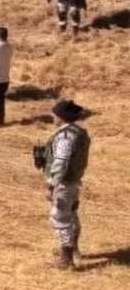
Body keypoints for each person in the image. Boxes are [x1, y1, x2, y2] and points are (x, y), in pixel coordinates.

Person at [43, 99, 91, 269]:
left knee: (60, 217)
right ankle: (72, 248)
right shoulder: (79, 132)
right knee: (71, 214)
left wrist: (51, 185)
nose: (52, 117)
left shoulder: (65, 137)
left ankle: (66, 258)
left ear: (61, 117)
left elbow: (61, 162)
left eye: (54, 114)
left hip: (64, 183)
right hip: (74, 181)